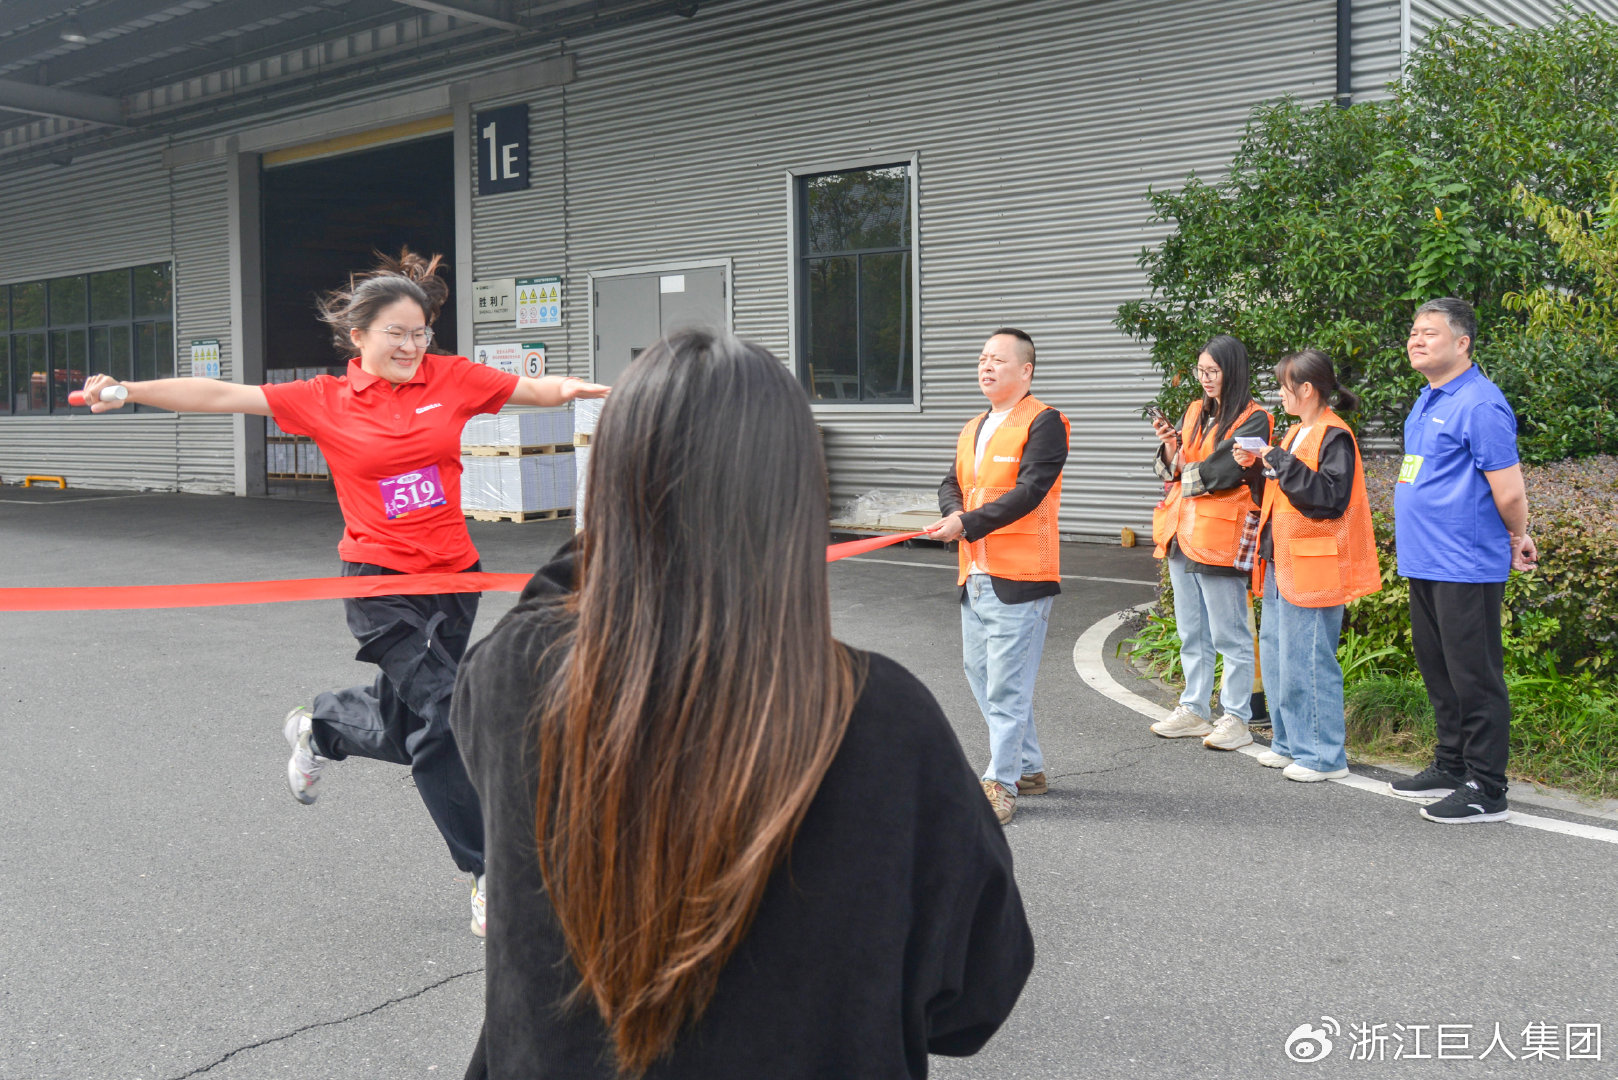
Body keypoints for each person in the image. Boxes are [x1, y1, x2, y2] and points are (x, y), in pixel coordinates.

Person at [448, 329, 1033, 1080]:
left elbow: (545, 609)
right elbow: (980, 989)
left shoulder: (515, 679)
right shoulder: (882, 718)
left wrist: (627, 532)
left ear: (609, 486)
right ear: (795, 492)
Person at [78, 248, 607, 933]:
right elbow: (221, 395)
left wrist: (598, 392)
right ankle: (488, 873)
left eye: (421, 333)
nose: (412, 346)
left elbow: (539, 392)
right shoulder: (325, 400)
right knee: (447, 712)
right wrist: (129, 390)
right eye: (397, 334)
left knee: (410, 720)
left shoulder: (452, 378)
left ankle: (321, 727)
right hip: (381, 585)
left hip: (455, 577)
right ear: (359, 337)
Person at [1386, 298, 1535, 823]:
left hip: (1465, 564)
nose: (1416, 340)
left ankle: (1487, 789)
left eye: (1429, 332)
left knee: (1475, 677)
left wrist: (1517, 535)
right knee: (1440, 671)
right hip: (1425, 561)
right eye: (1413, 332)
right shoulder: (1427, 399)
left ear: (1462, 342)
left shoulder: (1480, 403)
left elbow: (1509, 491)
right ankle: (1452, 764)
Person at [923, 328, 1070, 826]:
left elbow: (1030, 491)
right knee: (982, 676)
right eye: (982, 358)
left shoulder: (1045, 422)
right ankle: (1027, 767)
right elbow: (951, 482)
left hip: (1021, 574)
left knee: (1007, 687)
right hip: (975, 572)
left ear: (1026, 370)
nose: (986, 367)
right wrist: (954, 514)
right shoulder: (974, 427)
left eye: (998, 360)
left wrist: (966, 523)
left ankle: (1001, 783)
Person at [1234, 349, 1380, 782]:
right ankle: (1289, 743)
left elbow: (1328, 497)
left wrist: (1278, 461)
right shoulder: (1297, 432)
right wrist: (1255, 469)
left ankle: (1323, 756)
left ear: (1307, 389)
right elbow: (1281, 492)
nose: (1280, 394)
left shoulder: (1335, 435)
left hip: (1314, 561)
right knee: (1280, 657)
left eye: (1285, 386)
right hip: (1284, 558)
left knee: (1309, 660)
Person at [1148, 335, 1273, 751]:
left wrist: (1186, 469)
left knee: (1230, 634)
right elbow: (1175, 469)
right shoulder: (1194, 411)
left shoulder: (1256, 418)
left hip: (1221, 535)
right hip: (1181, 531)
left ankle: (1236, 717)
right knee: (1192, 632)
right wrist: (1172, 446)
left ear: (1232, 370)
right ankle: (1194, 709)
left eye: (1213, 371)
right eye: (1201, 371)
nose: (1205, 378)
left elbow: (1224, 472)